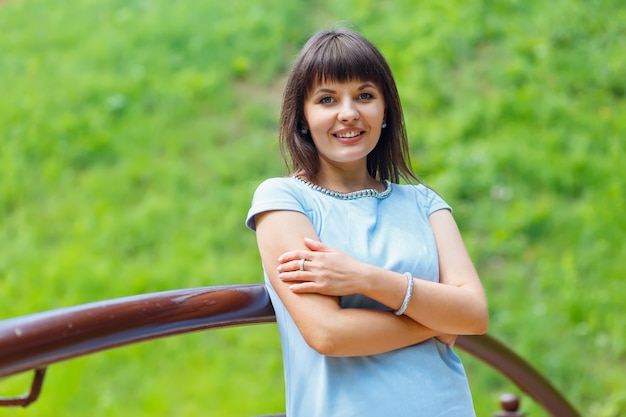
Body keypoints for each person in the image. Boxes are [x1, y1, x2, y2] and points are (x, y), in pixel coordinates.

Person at [246, 27, 488, 417]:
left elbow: (474, 313)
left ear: (385, 110)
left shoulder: (425, 204)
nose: (348, 113)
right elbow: (328, 334)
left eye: (364, 95)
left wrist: (363, 278)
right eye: (327, 99)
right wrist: (437, 319)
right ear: (303, 117)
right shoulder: (283, 200)